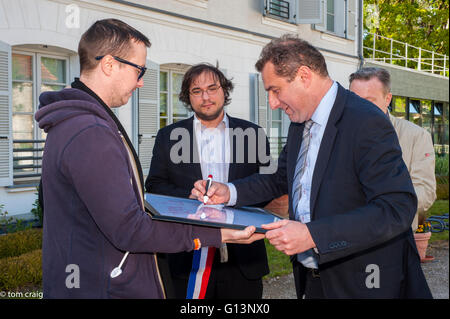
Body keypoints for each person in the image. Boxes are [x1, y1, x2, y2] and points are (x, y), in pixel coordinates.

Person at [35, 19, 262, 299]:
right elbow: (130, 228)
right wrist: (218, 234)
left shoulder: (78, 123)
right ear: (109, 64)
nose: (141, 82)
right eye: (138, 70)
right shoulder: (90, 131)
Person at [191, 34, 432, 299]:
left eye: (276, 90)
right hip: (312, 279)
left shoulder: (365, 121)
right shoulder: (299, 122)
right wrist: (229, 192)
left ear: (304, 76)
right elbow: (281, 178)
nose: (272, 103)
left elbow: (396, 207)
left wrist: (313, 235)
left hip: (362, 282)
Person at [145, 64, 270, 299]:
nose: (206, 97)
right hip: (188, 256)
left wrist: (234, 194)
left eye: (212, 88)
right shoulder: (168, 137)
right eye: (196, 91)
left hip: (243, 258)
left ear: (225, 91)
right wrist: (190, 197)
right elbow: (154, 186)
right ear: (187, 97)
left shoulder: (252, 134)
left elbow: (268, 185)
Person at [349, 67, 436, 231]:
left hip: (394, 238)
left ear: (387, 99)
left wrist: (384, 209)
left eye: (369, 100)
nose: (359, 107)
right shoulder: (338, 134)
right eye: (354, 99)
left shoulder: (416, 136)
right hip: (345, 237)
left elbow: (426, 192)